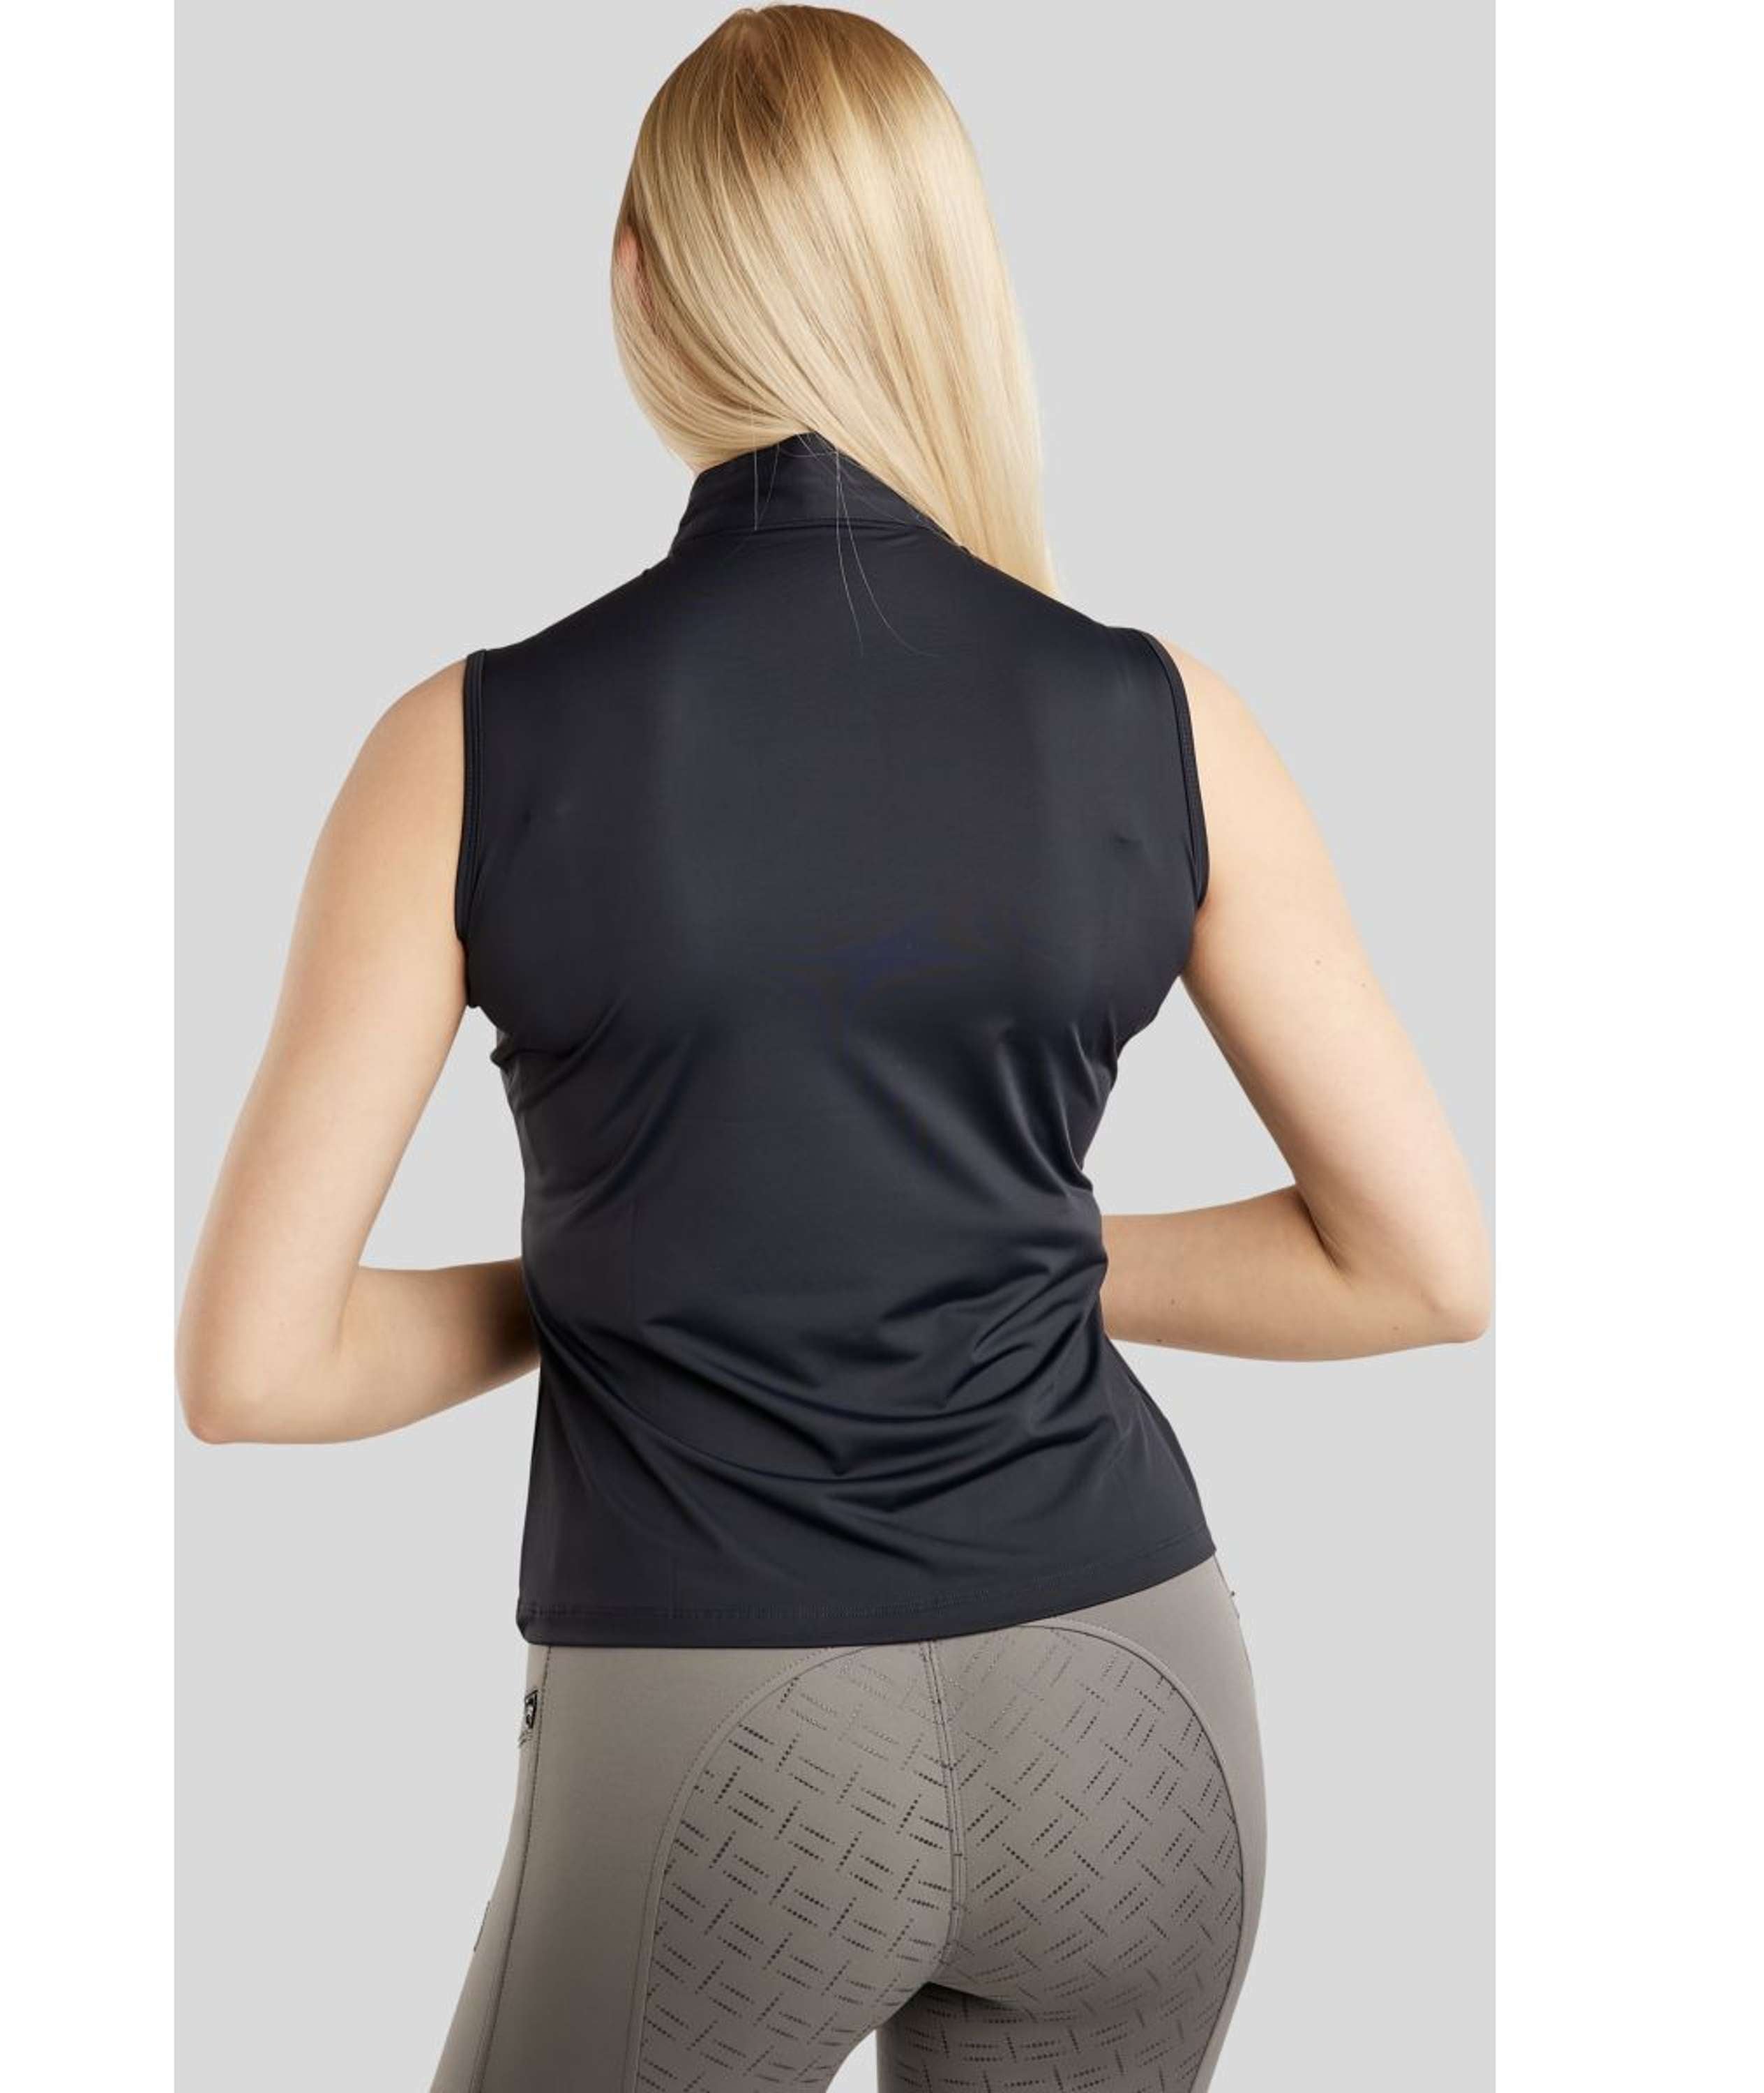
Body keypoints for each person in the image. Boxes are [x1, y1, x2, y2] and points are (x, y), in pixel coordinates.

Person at [177, 8, 1488, 2088]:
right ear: (948, 278)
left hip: (719, 1749)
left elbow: (257, 1370)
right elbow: (1420, 1270)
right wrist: (982, 1252)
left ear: (639, 282)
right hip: (1137, 1712)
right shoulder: (1165, 718)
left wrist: (641, 1274)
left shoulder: (472, 746)